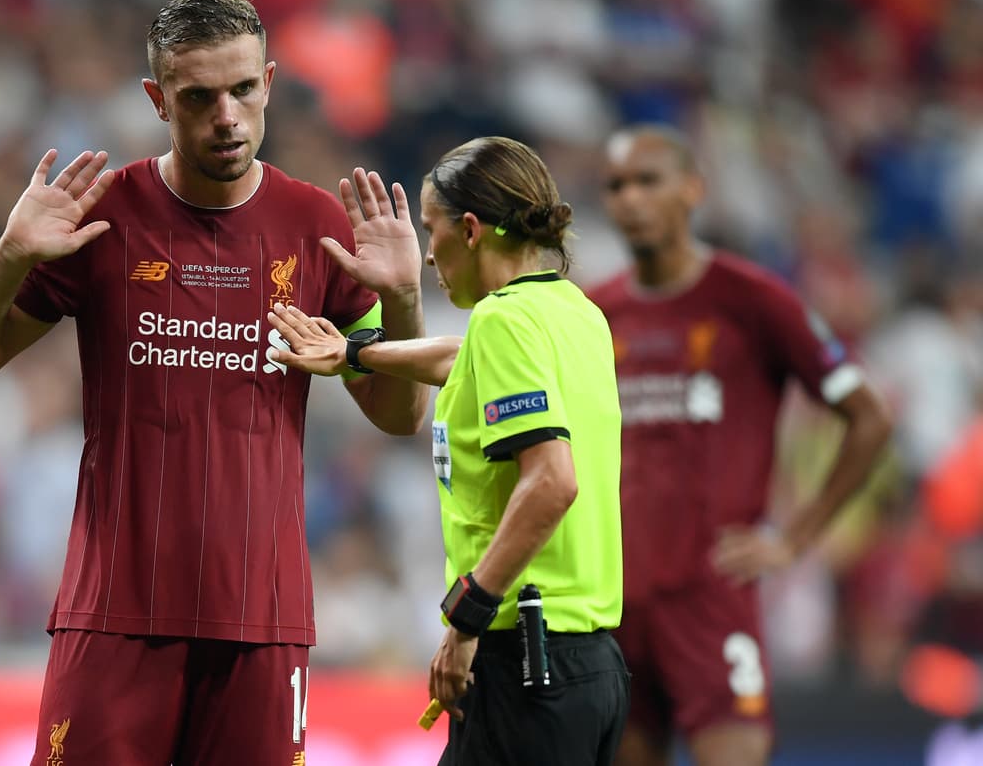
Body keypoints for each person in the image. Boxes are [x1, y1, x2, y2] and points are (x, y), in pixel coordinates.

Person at [0, 0, 429, 766]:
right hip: (114, 612)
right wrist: (11, 254)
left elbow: (399, 415)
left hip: (263, 619)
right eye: (198, 96)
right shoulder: (104, 216)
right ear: (158, 100)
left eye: (242, 90)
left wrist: (400, 301)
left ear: (268, 81)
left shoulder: (319, 229)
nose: (226, 115)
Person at [269, 135, 630, 766]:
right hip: (588, 668)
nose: (428, 257)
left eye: (431, 230)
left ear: (470, 230)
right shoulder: (574, 312)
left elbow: (552, 482)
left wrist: (466, 617)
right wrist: (354, 352)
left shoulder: (502, 322)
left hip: (524, 660)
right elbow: (459, 359)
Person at [588, 124, 893, 766]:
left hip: (710, 595)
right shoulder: (595, 313)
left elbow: (868, 417)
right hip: (614, 602)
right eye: (616, 186)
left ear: (693, 189)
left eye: (648, 181)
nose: (631, 199)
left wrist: (796, 536)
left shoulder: (752, 300)